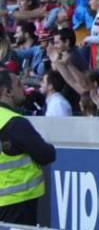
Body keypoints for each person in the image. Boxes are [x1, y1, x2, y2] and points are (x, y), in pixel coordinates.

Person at [0, 70, 53, 222]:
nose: (23, 88)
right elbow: (46, 154)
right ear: (8, 92)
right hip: (17, 202)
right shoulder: (15, 122)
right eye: (18, 84)